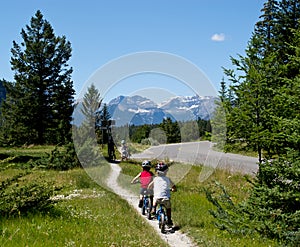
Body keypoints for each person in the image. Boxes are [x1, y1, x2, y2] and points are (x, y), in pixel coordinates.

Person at [148, 161, 177, 227]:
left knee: (154, 198)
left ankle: (153, 208)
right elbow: (174, 187)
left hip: (157, 198)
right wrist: (173, 189)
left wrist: (151, 189)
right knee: (168, 208)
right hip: (166, 199)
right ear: (166, 171)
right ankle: (169, 220)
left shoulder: (155, 179)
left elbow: (149, 186)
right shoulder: (168, 179)